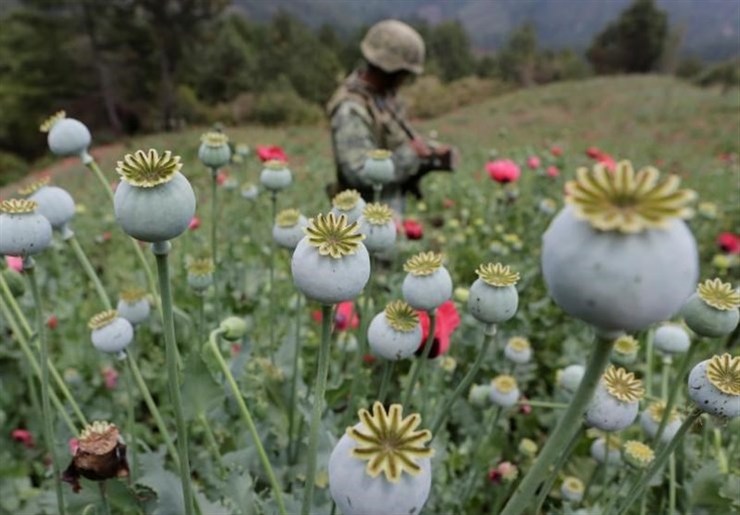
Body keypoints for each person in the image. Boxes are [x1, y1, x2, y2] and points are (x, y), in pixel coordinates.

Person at [326, 19, 458, 211]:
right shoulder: (351, 109)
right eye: (405, 73)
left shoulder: (384, 98)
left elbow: (397, 142)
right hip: (363, 221)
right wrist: (411, 155)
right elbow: (358, 172)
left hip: (391, 211)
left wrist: (431, 153)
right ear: (391, 69)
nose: (405, 79)